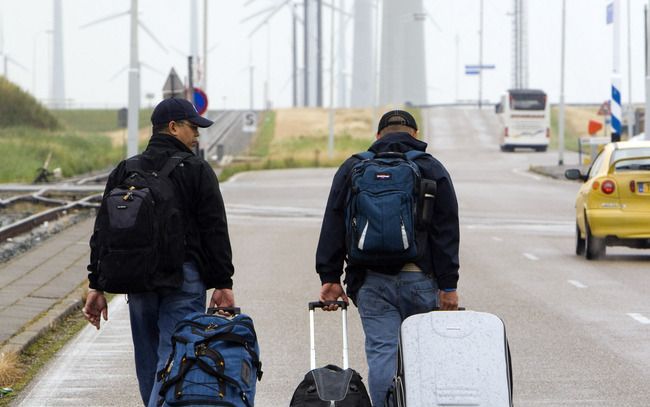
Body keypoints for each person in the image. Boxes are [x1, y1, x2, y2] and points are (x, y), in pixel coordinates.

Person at [82, 98, 236, 407]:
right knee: (175, 357)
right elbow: (214, 229)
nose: (197, 135)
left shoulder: (127, 169)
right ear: (173, 127)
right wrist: (223, 283)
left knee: (149, 361)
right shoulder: (196, 169)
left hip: (136, 278)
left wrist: (96, 284)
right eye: (193, 128)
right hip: (184, 277)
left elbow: (103, 231)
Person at [316, 110, 460, 406]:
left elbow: (333, 222)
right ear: (415, 135)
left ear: (378, 135)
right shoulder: (431, 168)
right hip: (420, 277)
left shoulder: (354, 167)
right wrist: (448, 285)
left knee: (382, 353)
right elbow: (446, 229)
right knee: (421, 355)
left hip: (370, 280)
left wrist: (329, 277)